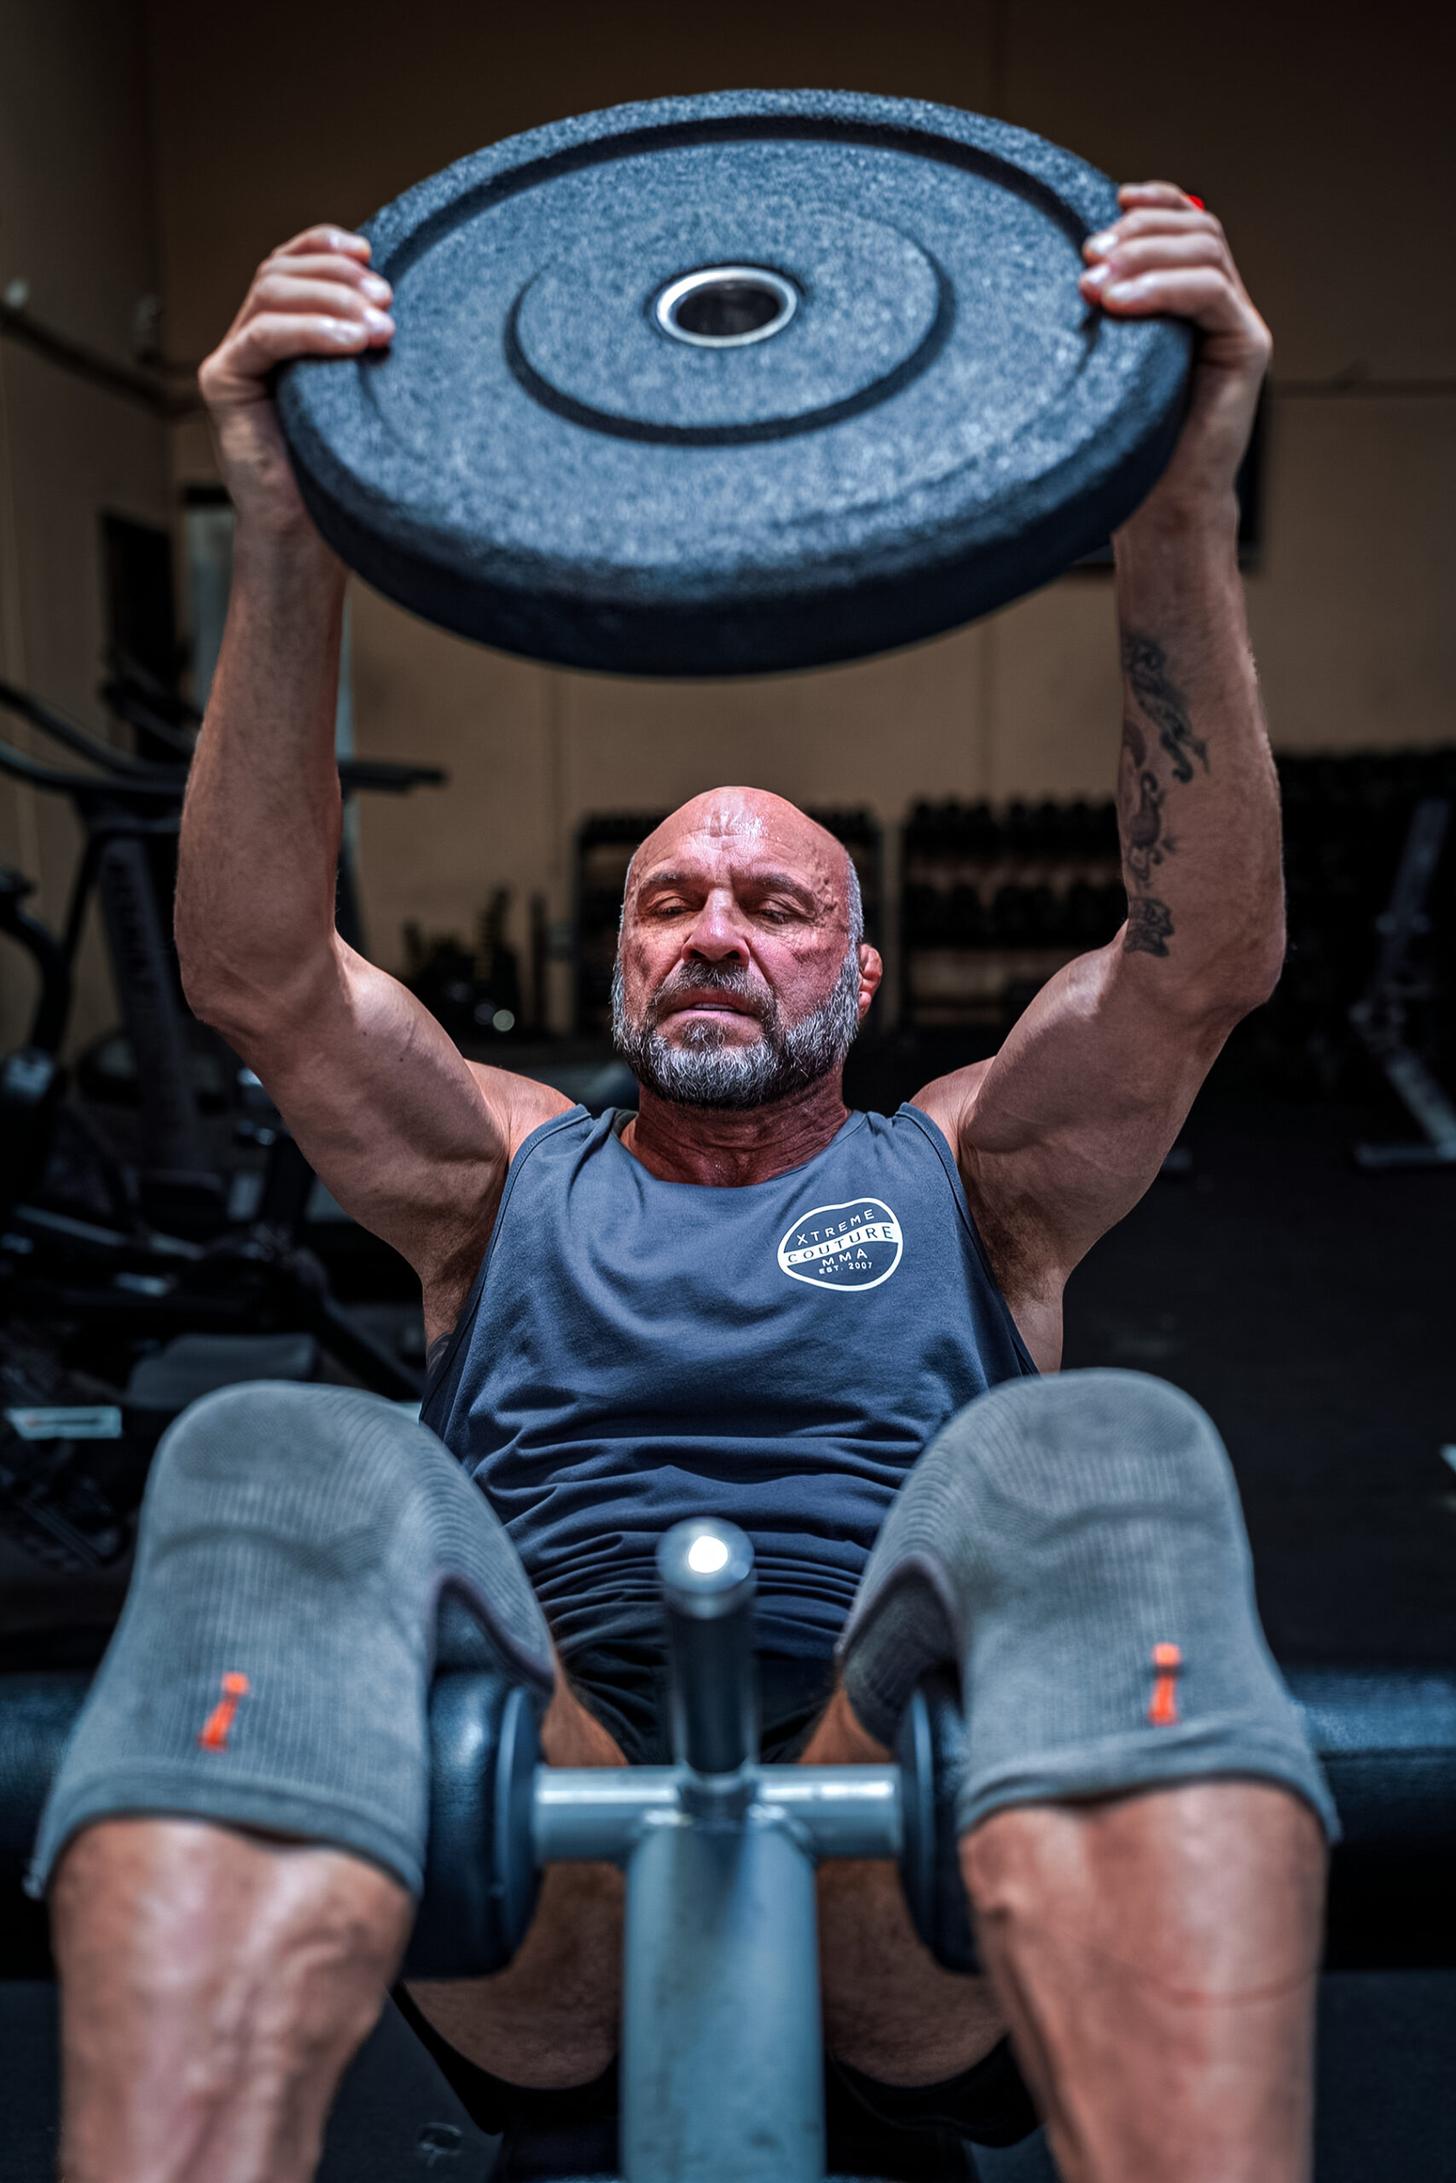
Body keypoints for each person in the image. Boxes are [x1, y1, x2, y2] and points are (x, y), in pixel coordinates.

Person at [39, 183, 1331, 2183]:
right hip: (547, 1856)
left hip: (896, 1871)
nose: (713, 930)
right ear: (622, 960)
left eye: (775, 908)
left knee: (1102, 1450)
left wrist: (1171, 505)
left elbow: (1196, 965)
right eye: (668, 903)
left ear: (861, 978)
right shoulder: (495, 1177)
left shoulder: (976, 1174)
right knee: (273, 1459)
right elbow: (261, 975)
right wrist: (283, 518)